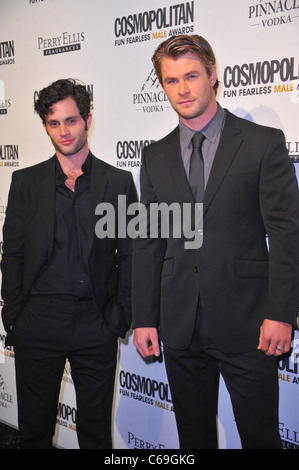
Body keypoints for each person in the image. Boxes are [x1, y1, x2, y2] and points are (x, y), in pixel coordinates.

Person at [132, 35, 299, 449]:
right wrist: (144, 317)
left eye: (191, 76)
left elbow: (285, 233)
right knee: (194, 438)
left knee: (260, 438)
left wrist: (282, 313)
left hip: (249, 323)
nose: (182, 89)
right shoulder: (154, 156)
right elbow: (149, 243)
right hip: (180, 324)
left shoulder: (263, 143)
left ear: (212, 75)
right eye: (171, 81)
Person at [1, 79, 137, 449]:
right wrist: (14, 316)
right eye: (54, 123)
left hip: (96, 323)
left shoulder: (119, 183)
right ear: (46, 125)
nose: (63, 131)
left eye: (72, 121)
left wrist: (118, 316)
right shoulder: (25, 182)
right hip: (38, 321)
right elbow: (12, 253)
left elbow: (128, 253)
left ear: (88, 119)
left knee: (95, 434)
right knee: (34, 431)